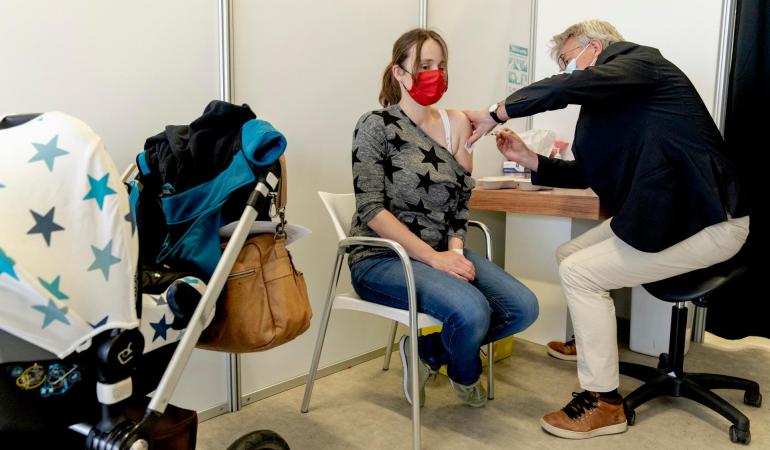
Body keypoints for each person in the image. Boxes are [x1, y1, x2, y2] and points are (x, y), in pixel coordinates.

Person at [466, 20, 749, 438]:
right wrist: (531, 160)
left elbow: (563, 90)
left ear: (594, 47)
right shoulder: (615, 104)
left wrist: (496, 113)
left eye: (567, 61)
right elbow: (589, 172)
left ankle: (605, 402)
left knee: (581, 273)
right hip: (673, 215)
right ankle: (591, 343)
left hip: (709, 219)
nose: (567, 72)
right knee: (568, 257)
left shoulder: (641, 63)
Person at [348, 28, 539, 408]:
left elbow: (459, 203)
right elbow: (371, 209)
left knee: (523, 307)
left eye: (441, 65)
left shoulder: (456, 125)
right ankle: (464, 373)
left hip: (439, 253)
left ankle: (428, 352)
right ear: (400, 74)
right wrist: (435, 259)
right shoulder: (376, 125)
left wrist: (455, 252)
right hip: (382, 257)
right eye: (424, 65)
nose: (436, 73)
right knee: (471, 310)